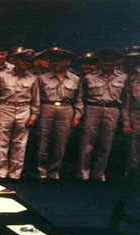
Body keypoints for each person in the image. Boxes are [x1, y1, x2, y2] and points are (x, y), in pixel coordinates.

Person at [75, 49, 130, 182]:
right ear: (100, 61)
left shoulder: (123, 77)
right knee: (87, 144)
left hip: (112, 111)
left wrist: (126, 122)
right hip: (93, 109)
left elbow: (125, 101)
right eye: (105, 60)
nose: (107, 63)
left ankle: (98, 174)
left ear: (116, 62)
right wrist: (78, 115)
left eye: (111, 60)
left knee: (105, 145)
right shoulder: (89, 77)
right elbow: (81, 98)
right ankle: (83, 174)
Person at [0, 47, 40, 181]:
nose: (26, 64)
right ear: (15, 60)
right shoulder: (2, 75)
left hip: (24, 109)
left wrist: (33, 117)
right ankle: (0, 172)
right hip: (5, 108)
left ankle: (14, 174)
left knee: (20, 143)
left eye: (29, 61)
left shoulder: (33, 78)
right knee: (2, 142)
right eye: (23, 60)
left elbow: (36, 100)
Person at [36, 47, 83, 182]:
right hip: (47, 108)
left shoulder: (75, 79)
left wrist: (77, 116)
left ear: (67, 62)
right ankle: (42, 171)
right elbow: (37, 98)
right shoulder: (42, 78)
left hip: (66, 110)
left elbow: (79, 99)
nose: (56, 63)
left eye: (60, 60)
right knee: (42, 142)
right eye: (53, 60)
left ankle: (54, 171)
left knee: (60, 143)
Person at [122, 49, 140, 173]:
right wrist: (126, 123)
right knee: (133, 142)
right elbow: (126, 104)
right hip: (136, 113)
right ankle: (133, 170)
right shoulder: (132, 80)